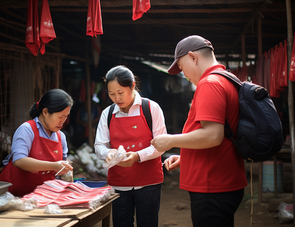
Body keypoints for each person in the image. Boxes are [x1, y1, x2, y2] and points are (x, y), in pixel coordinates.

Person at [151, 35, 248, 227]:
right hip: (221, 180)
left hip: (212, 185)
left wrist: (171, 140)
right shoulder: (226, 79)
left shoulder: (209, 83)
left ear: (193, 57)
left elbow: (213, 136)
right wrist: (186, 157)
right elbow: (220, 135)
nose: (184, 74)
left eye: (182, 66)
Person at [94, 65, 167, 227]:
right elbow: (99, 145)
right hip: (118, 182)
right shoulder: (107, 113)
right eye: (111, 94)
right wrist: (109, 153)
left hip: (149, 182)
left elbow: (161, 145)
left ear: (132, 86)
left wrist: (137, 156)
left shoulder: (151, 108)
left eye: (120, 93)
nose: (116, 98)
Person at [0, 89, 74, 196]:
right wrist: (54, 166)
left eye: (66, 116)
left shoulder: (61, 136)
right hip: (12, 196)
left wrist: (65, 169)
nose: (63, 121)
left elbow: (61, 169)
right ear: (45, 112)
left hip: (40, 197)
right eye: (60, 117)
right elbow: (19, 161)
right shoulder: (27, 129)